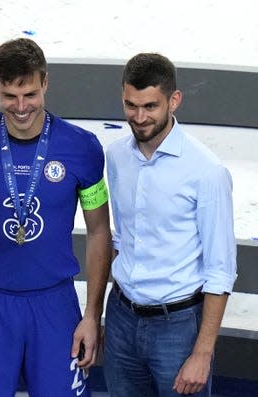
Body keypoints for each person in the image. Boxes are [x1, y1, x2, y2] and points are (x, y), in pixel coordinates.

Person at [0, 38, 112, 396]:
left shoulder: (82, 147)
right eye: (9, 96)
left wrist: (91, 315)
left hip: (54, 303)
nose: (21, 107)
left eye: (30, 95)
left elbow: (100, 231)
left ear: (46, 82)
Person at [103, 53, 237, 396]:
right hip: (120, 317)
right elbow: (122, 237)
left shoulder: (206, 171)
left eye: (150, 106)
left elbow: (220, 269)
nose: (139, 117)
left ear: (174, 100)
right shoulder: (116, 156)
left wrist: (202, 353)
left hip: (177, 328)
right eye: (131, 105)